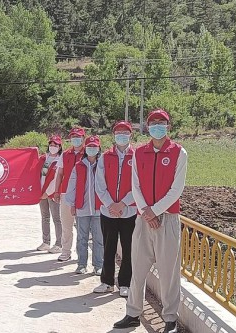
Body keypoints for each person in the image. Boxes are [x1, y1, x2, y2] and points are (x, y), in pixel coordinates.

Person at [113, 109, 187, 333]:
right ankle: (133, 313)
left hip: (168, 218)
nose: (157, 126)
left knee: (168, 273)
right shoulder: (140, 153)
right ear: (147, 127)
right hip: (143, 218)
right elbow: (135, 184)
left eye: (161, 122)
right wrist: (147, 212)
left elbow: (177, 189)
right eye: (153, 122)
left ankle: (170, 319)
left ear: (168, 126)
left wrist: (155, 211)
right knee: (138, 268)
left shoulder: (179, 152)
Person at [93, 121, 137, 297]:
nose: (121, 135)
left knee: (128, 249)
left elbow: (139, 185)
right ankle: (107, 282)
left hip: (129, 212)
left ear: (130, 135)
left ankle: (125, 283)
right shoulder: (105, 157)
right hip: (108, 211)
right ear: (113, 135)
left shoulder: (137, 156)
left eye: (125, 132)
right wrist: (110, 204)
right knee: (108, 247)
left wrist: (123, 203)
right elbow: (99, 184)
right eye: (118, 132)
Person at [65, 135, 103, 275]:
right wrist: (72, 204)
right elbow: (72, 186)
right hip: (82, 207)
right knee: (82, 238)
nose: (92, 149)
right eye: (89, 147)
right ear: (85, 149)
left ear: (99, 148)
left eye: (94, 147)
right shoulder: (79, 166)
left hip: (99, 208)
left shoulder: (102, 164)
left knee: (99, 239)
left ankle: (98, 265)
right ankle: (81, 264)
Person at [53, 127, 85, 261]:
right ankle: (66, 251)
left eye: (78, 137)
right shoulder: (65, 154)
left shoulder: (89, 152)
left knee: (83, 227)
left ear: (83, 138)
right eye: (73, 137)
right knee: (67, 225)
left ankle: (82, 255)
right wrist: (56, 191)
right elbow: (60, 173)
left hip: (84, 193)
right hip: (66, 193)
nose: (76, 140)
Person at [37, 135, 63, 254]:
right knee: (45, 217)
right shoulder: (44, 158)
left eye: (55, 145)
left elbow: (57, 178)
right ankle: (46, 242)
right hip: (41, 193)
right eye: (51, 145)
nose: (53, 147)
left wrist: (47, 193)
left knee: (57, 219)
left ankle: (59, 244)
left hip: (53, 194)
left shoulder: (60, 159)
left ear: (60, 146)